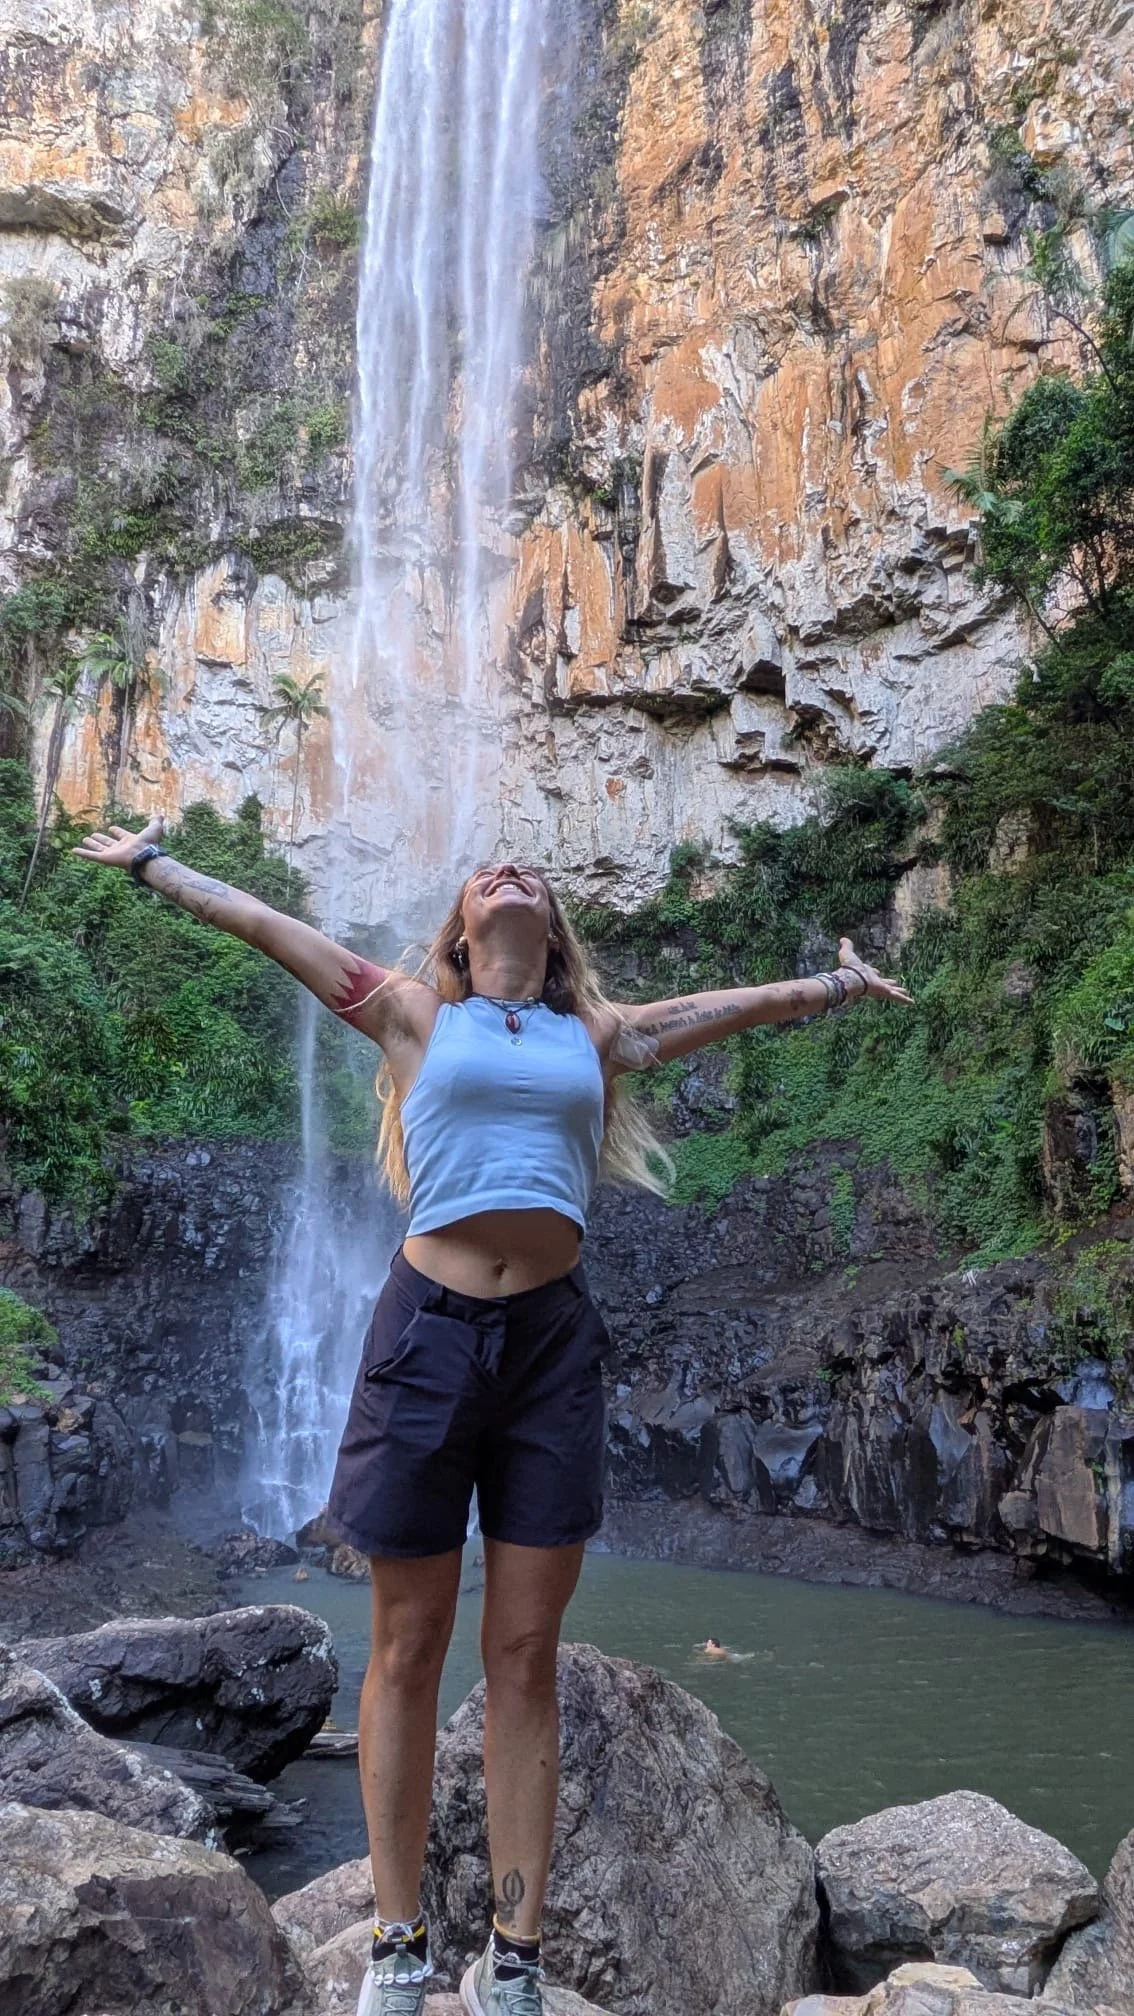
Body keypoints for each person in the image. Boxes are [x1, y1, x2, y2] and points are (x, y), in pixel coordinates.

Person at [74, 816, 913, 2016]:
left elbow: (732, 1007)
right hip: (425, 1338)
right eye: (486, 871)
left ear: (552, 929)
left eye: (531, 868)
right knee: (408, 1645)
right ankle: (399, 1943)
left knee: (523, 1656)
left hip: (552, 1347)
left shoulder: (595, 1033)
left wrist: (835, 981)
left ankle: (515, 1960)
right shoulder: (412, 1011)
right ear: (463, 934)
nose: (509, 868)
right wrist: (157, 866)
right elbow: (266, 927)